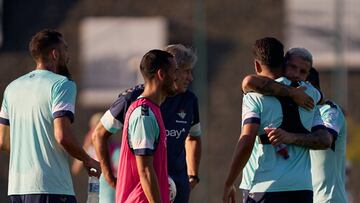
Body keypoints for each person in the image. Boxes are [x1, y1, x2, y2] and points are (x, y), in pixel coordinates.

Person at [222, 38, 332, 203]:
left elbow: (246, 141)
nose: (296, 74)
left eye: (302, 71)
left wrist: (228, 182)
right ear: (283, 63)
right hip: (303, 189)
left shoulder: (254, 95)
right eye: (293, 67)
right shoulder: (310, 95)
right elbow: (324, 138)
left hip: (265, 186)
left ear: (257, 65)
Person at [0, 29, 100, 203]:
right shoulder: (62, 84)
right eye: (65, 49)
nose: (68, 55)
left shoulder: (12, 88)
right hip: (51, 188)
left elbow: (2, 140)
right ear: (55, 54)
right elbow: (62, 136)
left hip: (17, 190)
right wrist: (87, 159)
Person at [93, 44, 202, 203]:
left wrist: (193, 176)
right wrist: (109, 176)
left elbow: (194, 138)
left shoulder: (187, 100)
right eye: (186, 71)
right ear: (166, 73)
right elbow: (99, 134)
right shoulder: (139, 106)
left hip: (175, 185)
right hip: (143, 192)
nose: (190, 78)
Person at [307, 67, 348, 203]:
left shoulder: (329, 110)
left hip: (328, 200)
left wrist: (289, 136)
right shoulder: (301, 116)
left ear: (310, 87)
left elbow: (325, 140)